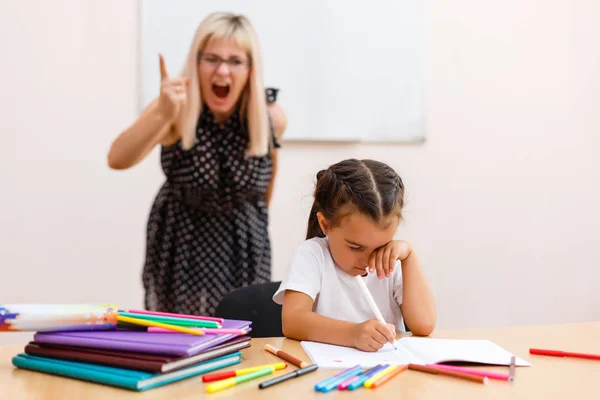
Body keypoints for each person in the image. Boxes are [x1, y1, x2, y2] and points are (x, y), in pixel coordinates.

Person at [108, 12, 288, 317]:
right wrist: (162, 114)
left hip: (242, 243)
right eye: (211, 58)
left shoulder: (271, 117)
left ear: (249, 69)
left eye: (235, 61)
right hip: (182, 242)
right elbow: (117, 159)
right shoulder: (174, 108)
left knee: (241, 333)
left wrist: (252, 226)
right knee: (182, 337)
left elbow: (265, 186)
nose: (222, 70)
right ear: (196, 62)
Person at [273, 159, 436, 352]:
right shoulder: (313, 254)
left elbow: (424, 325)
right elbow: (292, 321)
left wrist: (409, 257)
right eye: (355, 247)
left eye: (380, 246)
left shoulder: (391, 259)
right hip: (328, 376)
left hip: (386, 374)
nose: (368, 260)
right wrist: (353, 334)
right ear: (325, 225)